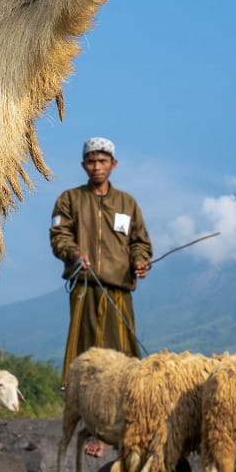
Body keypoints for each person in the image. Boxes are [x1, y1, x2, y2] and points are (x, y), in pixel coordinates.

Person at [50, 137, 152, 453]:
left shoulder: (128, 203)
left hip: (118, 290)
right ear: (84, 165)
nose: (97, 166)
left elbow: (140, 241)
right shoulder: (69, 200)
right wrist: (73, 252)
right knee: (87, 358)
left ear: (113, 165)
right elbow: (59, 235)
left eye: (102, 161)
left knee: (123, 356)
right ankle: (93, 428)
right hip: (85, 288)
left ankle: (128, 423)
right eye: (91, 161)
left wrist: (140, 261)